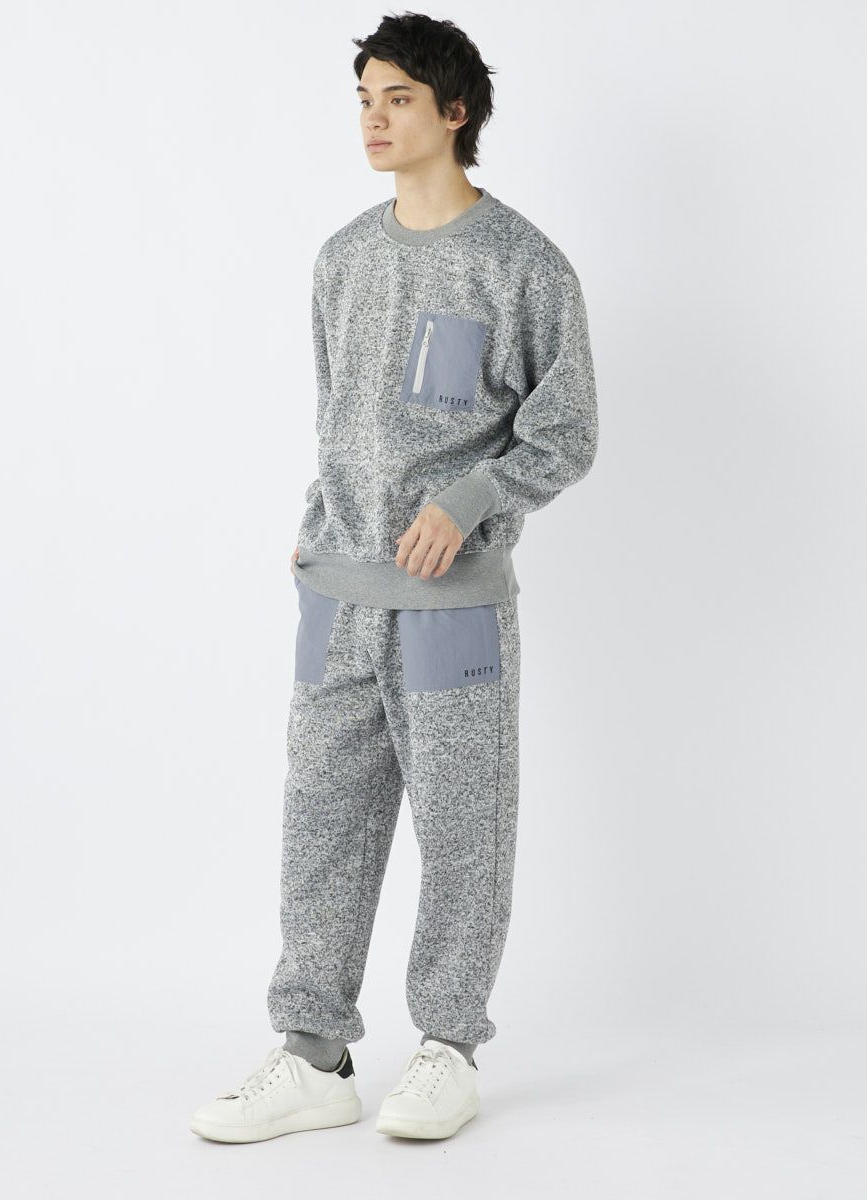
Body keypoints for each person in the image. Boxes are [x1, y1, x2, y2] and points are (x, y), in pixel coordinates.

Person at [191, 10, 599, 1144]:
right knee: (321, 823)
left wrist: (470, 501)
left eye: (399, 99)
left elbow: (566, 430)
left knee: (464, 828)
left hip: (451, 609)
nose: (373, 119)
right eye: (365, 99)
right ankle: (313, 1055)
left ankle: (448, 1048)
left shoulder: (522, 265)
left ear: (454, 112)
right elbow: (339, 421)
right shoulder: (342, 259)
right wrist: (314, 525)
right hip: (336, 594)